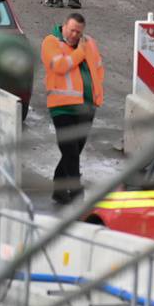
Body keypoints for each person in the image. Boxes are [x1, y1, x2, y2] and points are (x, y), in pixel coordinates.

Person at [41, 14, 104, 205]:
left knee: (74, 150)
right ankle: (76, 192)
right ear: (64, 26)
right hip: (62, 107)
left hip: (87, 105)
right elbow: (60, 66)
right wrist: (80, 52)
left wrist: (97, 93)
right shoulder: (51, 42)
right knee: (69, 150)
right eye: (72, 30)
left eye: (78, 32)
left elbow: (98, 67)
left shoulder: (89, 42)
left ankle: (59, 190)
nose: (74, 35)